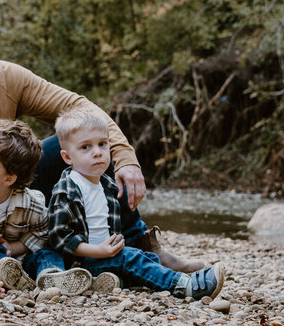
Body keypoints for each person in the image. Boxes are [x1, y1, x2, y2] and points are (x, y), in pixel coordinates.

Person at [0, 0, 203, 274]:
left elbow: (79, 107)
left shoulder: (7, 77)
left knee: (90, 144)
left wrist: (126, 158)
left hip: (13, 195)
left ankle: (140, 246)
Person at [45, 104, 226, 300]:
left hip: (104, 256)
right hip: (81, 263)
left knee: (148, 258)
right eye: (85, 147)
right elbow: (59, 237)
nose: (97, 152)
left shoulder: (106, 183)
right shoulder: (68, 188)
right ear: (67, 157)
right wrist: (98, 251)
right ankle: (185, 286)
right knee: (132, 258)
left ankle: (103, 282)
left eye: (102, 144)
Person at [0, 120, 93, 296]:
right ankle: (11, 276)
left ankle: (53, 276)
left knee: (47, 254)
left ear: (8, 179)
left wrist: (14, 247)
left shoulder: (32, 204)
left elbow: (41, 235)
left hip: (23, 255)